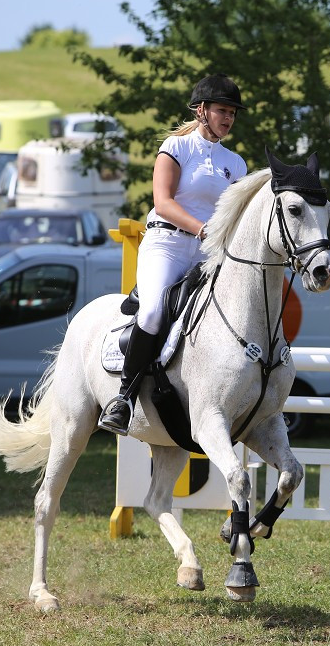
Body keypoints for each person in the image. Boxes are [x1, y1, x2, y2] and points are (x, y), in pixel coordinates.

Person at [98, 74, 248, 435]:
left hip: (207, 253)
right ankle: (124, 398)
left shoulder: (237, 163)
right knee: (152, 312)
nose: (228, 118)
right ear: (201, 111)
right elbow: (163, 203)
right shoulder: (175, 148)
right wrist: (202, 229)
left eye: (232, 113)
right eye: (222, 111)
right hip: (167, 245)